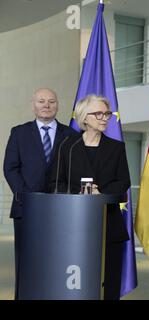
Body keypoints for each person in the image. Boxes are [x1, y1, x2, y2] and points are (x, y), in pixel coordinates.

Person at [50, 94, 131, 300]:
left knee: (109, 282)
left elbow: (123, 184)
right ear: (84, 117)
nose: (104, 118)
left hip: (109, 225)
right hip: (73, 226)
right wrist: (77, 196)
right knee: (78, 282)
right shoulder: (66, 146)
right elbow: (55, 183)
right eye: (99, 114)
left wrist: (101, 193)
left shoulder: (116, 147)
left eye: (107, 114)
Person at [3, 88, 75, 299]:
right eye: (41, 101)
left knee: (57, 261)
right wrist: (28, 197)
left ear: (57, 105)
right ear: (33, 105)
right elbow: (10, 168)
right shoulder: (19, 132)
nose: (46, 105)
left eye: (51, 101)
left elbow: (74, 170)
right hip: (26, 208)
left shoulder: (70, 135)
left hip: (60, 209)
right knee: (27, 262)